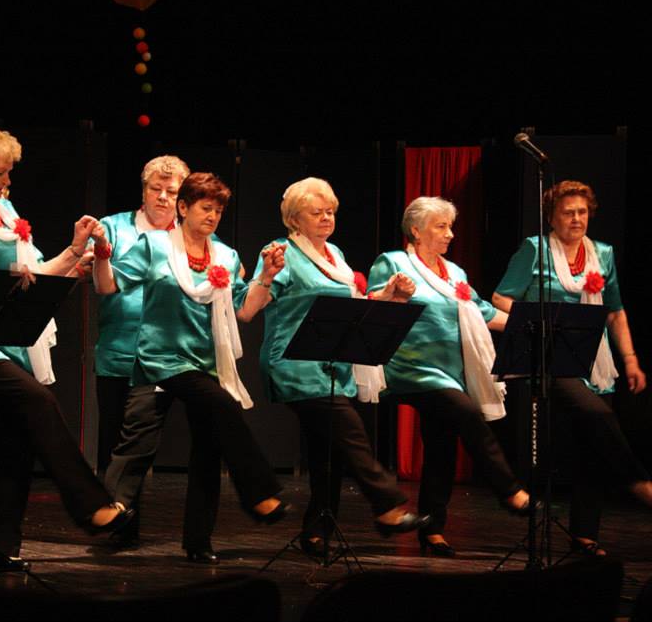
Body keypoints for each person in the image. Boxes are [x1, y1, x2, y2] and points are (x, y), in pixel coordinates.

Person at [0, 124, 132, 568]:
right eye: (0, 172)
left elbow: (36, 274)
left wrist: (74, 251)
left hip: (8, 340)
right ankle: (89, 502)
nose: (7, 180)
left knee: (19, 437)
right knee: (37, 400)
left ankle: (1, 545)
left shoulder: (6, 211)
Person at [93, 172, 289, 564]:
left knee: (208, 447)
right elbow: (107, 286)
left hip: (205, 363)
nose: (213, 216)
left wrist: (266, 276)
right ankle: (256, 492)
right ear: (183, 208)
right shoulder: (154, 245)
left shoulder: (226, 257)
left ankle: (199, 541)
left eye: (218, 210)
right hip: (160, 359)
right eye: (205, 208)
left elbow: (244, 311)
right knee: (139, 440)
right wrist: (101, 256)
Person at [248, 178, 429, 556]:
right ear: (294, 219)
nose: (326, 218)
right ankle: (387, 505)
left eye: (330, 211)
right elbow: (250, 308)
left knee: (326, 450)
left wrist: (389, 295)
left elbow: (352, 306)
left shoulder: (335, 254)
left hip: (332, 363)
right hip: (294, 362)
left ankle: (317, 531)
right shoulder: (281, 252)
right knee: (348, 431)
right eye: (316, 212)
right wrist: (265, 275)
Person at [492, 179, 652, 555]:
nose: (577, 218)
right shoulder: (535, 249)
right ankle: (638, 482)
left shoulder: (603, 253)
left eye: (582, 212)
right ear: (552, 217)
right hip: (550, 357)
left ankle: (584, 535)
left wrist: (630, 360)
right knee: (598, 416)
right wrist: (542, 318)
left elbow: (614, 311)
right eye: (568, 212)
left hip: (595, 360)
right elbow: (499, 298)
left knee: (592, 447)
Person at [367, 196, 534, 557]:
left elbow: (483, 311)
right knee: (466, 413)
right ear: (416, 230)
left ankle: (432, 530)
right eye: (441, 226)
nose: (450, 234)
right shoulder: (394, 263)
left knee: (442, 444)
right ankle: (508, 488)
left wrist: (531, 325)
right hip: (411, 367)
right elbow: (372, 307)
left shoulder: (455, 272)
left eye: (450, 227)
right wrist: (393, 293)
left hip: (451, 372)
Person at [96, 155, 188, 546]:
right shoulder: (114, 227)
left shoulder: (188, 235)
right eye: (156, 189)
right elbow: (99, 277)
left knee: (142, 444)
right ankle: (116, 525)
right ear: (144, 190)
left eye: (172, 191)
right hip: (118, 351)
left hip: (169, 355)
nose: (163, 197)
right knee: (113, 441)